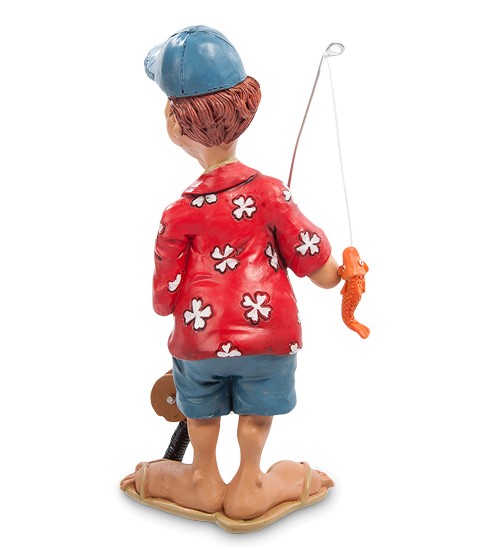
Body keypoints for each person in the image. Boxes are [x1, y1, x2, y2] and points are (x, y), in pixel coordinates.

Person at [120, 25, 341, 529]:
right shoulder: (271, 193)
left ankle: (202, 477)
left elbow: (163, 296)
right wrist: (344, 275)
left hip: (198, 343)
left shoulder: (177, 214)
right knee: (255, 415)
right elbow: (317, 265)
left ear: (175, 125)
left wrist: (176, 306)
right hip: (269, 339)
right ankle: (250, 482)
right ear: (249, 106)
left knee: (200, 414)